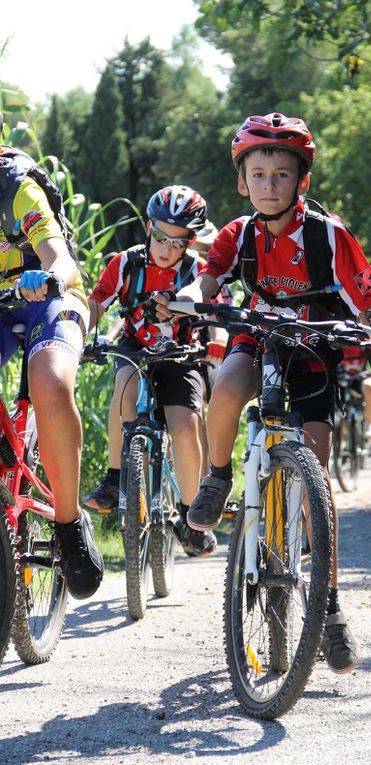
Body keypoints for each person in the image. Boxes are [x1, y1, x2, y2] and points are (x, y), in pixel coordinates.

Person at [155, 112, 371, 673]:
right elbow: (210, 278)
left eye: (282, 174)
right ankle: (219, 476)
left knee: (315, 473)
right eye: (259, 174)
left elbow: (368, 296)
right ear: (242, 182)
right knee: (225, 386)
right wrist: (188, 296)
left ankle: (331, 607)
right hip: (259, 333)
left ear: (302, 182)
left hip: (315, 343)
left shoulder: (328, 234)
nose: (270, 184)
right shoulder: (236, 233)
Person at [84, 185, 226, 558]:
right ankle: (115, 480)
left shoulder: (199, 272)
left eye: (177, 242)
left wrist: (219, 341)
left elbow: (218, 312)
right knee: (123, 388)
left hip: (182, 355)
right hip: (135, 349)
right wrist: (77, 331)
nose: (166, 248)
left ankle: (191, 515)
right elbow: (96, 303)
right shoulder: (126, 263)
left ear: (191, 242)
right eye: (160, 237)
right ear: (148, 227)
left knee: (184, 425)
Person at [0, 114, 104, 599]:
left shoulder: (16, 187)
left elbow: (58, 256)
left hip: (50, 295)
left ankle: (67, 524)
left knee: (50, 383)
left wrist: (48, 275)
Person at [339, 347, 371, 457]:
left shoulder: (365, 338)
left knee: (370, 390)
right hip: (341, 378)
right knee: (341, 413)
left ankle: (370, 427)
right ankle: (340, 444)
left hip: (362, 378)